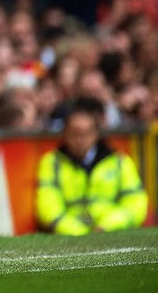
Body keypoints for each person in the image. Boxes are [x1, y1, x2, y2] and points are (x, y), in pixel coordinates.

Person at [35, 98, 148, 235]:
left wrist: (107, 226)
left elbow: (135, 203)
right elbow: (48, 207)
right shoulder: (52, 163)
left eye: (85, 133)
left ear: (95, 134)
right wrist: (79, 233)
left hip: (112, 232)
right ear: (64, 134)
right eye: (74, 133)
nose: (80, 140)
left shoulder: (119, 161)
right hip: (70, 236)